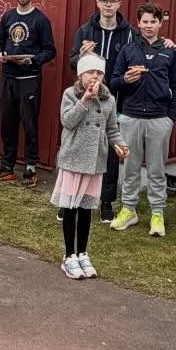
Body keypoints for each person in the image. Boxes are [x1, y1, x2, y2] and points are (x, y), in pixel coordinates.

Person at [109, 1, 176, 237]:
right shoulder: (128, 50)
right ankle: (129, 210)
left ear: (160, 23)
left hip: (159, 119)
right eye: (145, 21)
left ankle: (157, 214)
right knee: (130, 167)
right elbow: (113, 82)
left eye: (153, 21)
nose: (148, 26)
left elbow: (175, 87)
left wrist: (170, 118)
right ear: (138, 23)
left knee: (156, 169)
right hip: (130, 117)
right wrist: (126, 81)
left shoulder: (170, 50)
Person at [53, 53, 127, 279]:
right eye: (90, 72)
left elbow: (112, 129)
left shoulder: (109, 99)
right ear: (81, 75)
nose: (95, 77)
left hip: (95, 161)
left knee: (86, 210)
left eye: (99, 73)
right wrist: (84, 100)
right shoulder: (70, 94)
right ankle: (69, 256)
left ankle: (83, 252)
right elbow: (67, 121)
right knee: (71, 209)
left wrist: (120, 144)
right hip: (74, 159)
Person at [69, 0, 137, 221]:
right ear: (97, 3)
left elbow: (137, 57)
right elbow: (72, 63)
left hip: (114, 99)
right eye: (104, 0)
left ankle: (106, 201)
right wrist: (82, 56)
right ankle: (72, 199)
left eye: (113, 0)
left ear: (119, 3)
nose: (108, 4)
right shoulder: (85, 30)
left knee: (109, 151)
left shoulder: (129, 33)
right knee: (80, 146)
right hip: (86, 98)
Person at [0, 0, 56, 188]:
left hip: (29, 79)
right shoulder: (7, 17)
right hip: (8, 77)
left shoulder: (41, 20)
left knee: (29, 123)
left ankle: (30, 166)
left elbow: (50, 50)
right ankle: (7, 165)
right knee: (7, 122)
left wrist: (34, 60)